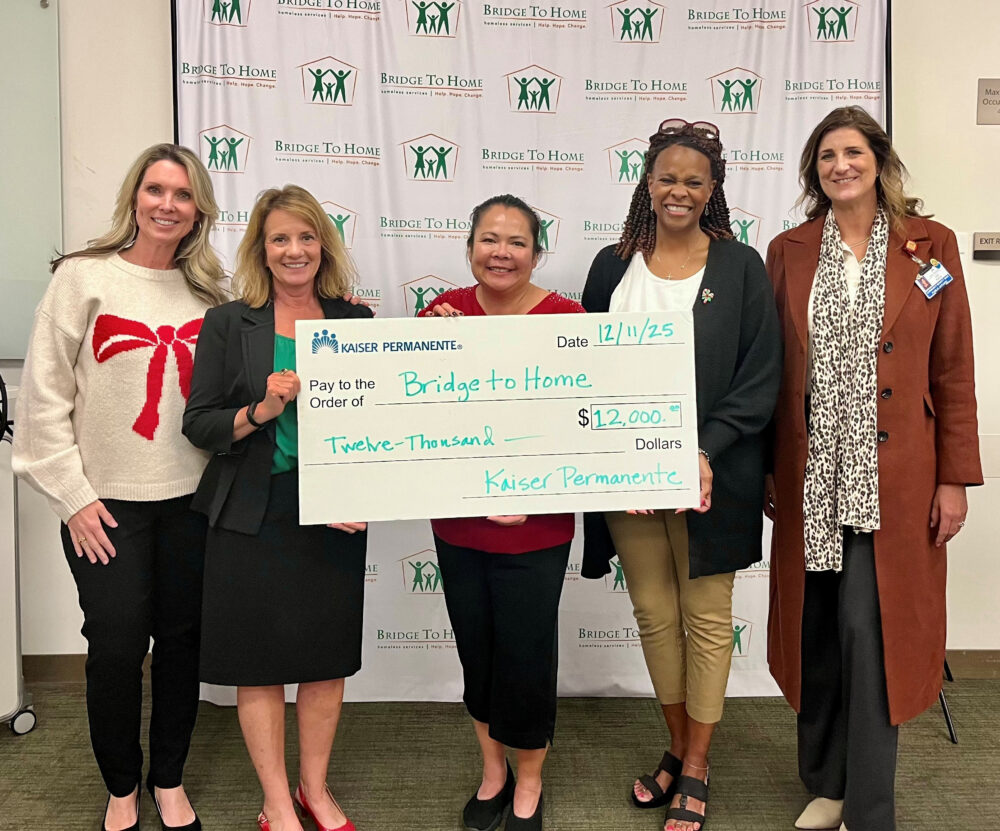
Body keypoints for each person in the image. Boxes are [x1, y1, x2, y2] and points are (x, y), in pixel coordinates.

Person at [764, 106, 982, 831]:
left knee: (871, 630)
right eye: (827, 156)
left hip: (898, 482)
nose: (841, 166)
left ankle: (869, 805)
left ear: (879, 161)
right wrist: (767, 469)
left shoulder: (930, 245)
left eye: (853, 152)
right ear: (814, 171)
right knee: (818, 630)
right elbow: (772, 369)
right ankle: (826, 784)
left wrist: (954, 477)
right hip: (811, 477)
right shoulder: (788, 250)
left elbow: (952, 367)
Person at [13, 143, 227, 831]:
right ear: (134, 197)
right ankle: (122, 785)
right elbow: (43, 400)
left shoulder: (212, 294)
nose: (168, 204)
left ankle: (169, 778)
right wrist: (72, 498)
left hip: (193, 502)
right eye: (156, 189)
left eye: (183, 194)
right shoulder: (82, 277)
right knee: (115, 647)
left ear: (199, 210)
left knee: (182, 644)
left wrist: (345, 324)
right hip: (105, 506)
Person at [580, 119, 782, 831]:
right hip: (627, 481)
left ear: (713, 188)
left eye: (694, 180)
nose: (679, 190)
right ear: (647, 182)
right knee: (654, 613)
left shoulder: (740, 265)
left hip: (712, 476)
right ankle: (677, 744)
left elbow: (760, 377)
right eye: (667, 177)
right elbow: (584, 366)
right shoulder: (612, 266)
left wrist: (703, 450)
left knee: (705, 617)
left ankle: (696, 763)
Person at [182, 185, 372, 831]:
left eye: (306, 236)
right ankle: (275, 802)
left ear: (324, 245)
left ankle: (314, 790)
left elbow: (382, 423)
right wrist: (261, 410)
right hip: (250, 511)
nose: (295, 250)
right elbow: (199, 423)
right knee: (257, 664)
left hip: (331, 512)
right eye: (280, 238)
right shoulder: (228, 322)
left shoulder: (354, 322)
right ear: (261, 251)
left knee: (325, 661)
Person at [419, 194, 584, 831]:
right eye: (489, 239)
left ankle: (530, 781)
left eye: (517, 242)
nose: (502, 253)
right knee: (477, 651)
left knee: (527, 655)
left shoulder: (567, 319)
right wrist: (424, 348)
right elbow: (413, 417)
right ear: (469, 248)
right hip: (459, 525)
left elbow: (580, 429)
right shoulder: (441, 315)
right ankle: (493, 771)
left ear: (536, 253)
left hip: (537, 529)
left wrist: (536, 491)